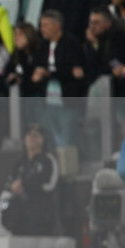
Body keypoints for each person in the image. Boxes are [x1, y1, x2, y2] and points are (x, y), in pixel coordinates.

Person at [33, 9, 87, 148]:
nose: (42, 29)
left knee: (67, 138)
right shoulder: (43, 45)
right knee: (50, 137)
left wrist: (49, 73)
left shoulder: (71, 44)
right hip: (48, 100)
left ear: (57, 26)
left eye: (45, 25)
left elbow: (76, 72)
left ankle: (68, 166)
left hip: (67, 101)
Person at [2, 124, 59, 236]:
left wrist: (24, 184)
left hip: (41, 215)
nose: (31, 138)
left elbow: (49, 184)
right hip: (20, 217)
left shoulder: (47, 160)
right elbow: (9, 183)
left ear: (43, 140)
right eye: (29, 135)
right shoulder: (20, 162)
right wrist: (13, 187)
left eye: (36, 135)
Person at [84, 6, 125, 97]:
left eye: (96, 23)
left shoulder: (119, 35)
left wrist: (112, 69)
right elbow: (91, 67)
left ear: (108, 23)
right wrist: (94, 44)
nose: (92, 27)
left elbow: (114, 61)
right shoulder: (93, 37)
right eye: (90, 22)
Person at [5, 22, 43, 97]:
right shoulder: (17, 53)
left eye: (20, 34)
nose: (16, 38)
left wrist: (21, 79)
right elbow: (7, 71)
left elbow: (34, 79)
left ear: (29, 35)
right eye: (15, 34)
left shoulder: (39, 52)